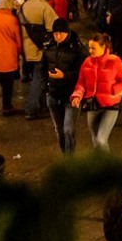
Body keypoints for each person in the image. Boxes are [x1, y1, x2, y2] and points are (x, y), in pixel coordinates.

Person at [72, 30, 122, 151]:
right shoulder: (87, 63)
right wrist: (77, 96)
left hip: (110, 106)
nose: (90, 51)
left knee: (101, 138)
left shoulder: (115, 61)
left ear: (103, 47)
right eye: (89, 48)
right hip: (92, 105)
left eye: (93, 48)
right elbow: (81, 83)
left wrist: (114, 91)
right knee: (95, 139)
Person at [40, 22, 90, 151]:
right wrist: (45, 88)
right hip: (53, 94)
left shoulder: (78, 49)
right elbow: (42, 68)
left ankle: (70, 159)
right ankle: (65, 155)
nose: (57, 36)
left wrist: (64, 76)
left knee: (69, 130)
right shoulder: (49, 46)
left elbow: (84, 73)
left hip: (71, 96)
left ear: (67, 33)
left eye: (60, 33)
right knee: (59, 130)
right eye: (55, 33)